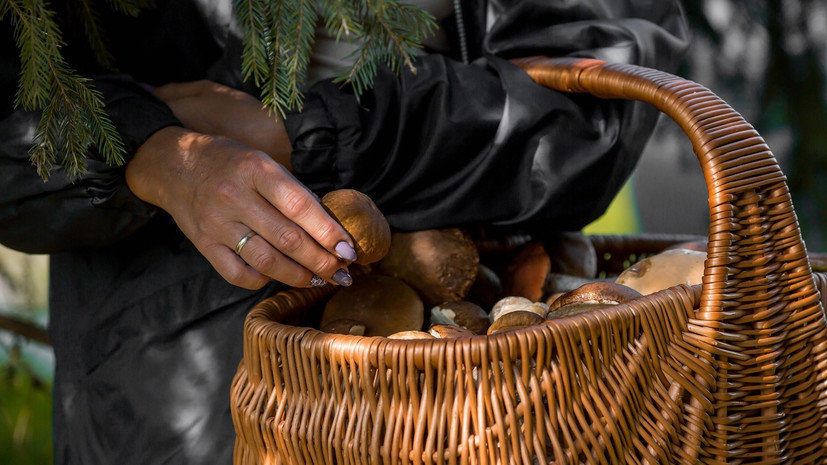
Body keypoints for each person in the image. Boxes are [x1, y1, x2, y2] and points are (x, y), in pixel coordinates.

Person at [0, 1, 689, 463]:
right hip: (161, 403)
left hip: (477, 392)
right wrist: (153, 155)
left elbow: (600, 96)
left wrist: (301, 135)